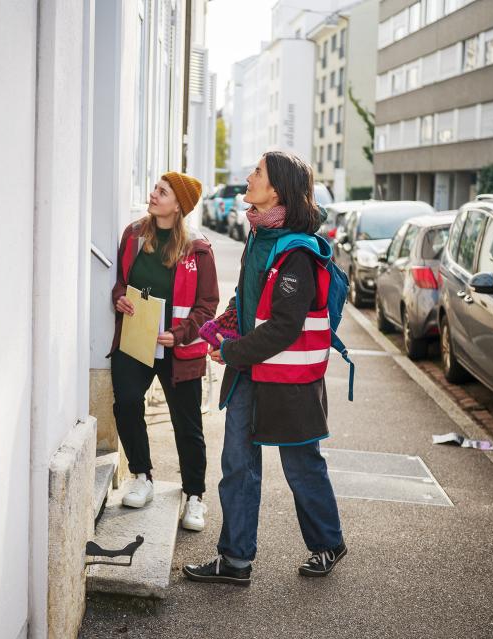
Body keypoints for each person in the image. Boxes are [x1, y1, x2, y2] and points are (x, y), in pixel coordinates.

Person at [183, 151, 345, 585]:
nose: (249, 177)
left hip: (289, 379)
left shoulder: (297, 252)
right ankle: (235, 561)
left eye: (257, 172)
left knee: (300, 463)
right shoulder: (258, 235)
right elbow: (249, 296)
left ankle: (328, 542)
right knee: (237, 464)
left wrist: (232, 353)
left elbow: (286, 326)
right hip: (251, 373)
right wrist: (225, 324)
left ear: (278, 188)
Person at [109, 172, 220, 531]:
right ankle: (142, 476)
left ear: (179, 205)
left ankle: (195, 497)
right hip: (136, 341)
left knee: (187, 425)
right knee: (126, 403)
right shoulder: (134, 236)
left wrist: (181, 333)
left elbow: (207, 305)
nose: (153, 194)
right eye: (155, 188)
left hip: (180, 348)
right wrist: (119, 298)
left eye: (162, 191)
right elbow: (121, 282)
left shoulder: (198, 249)